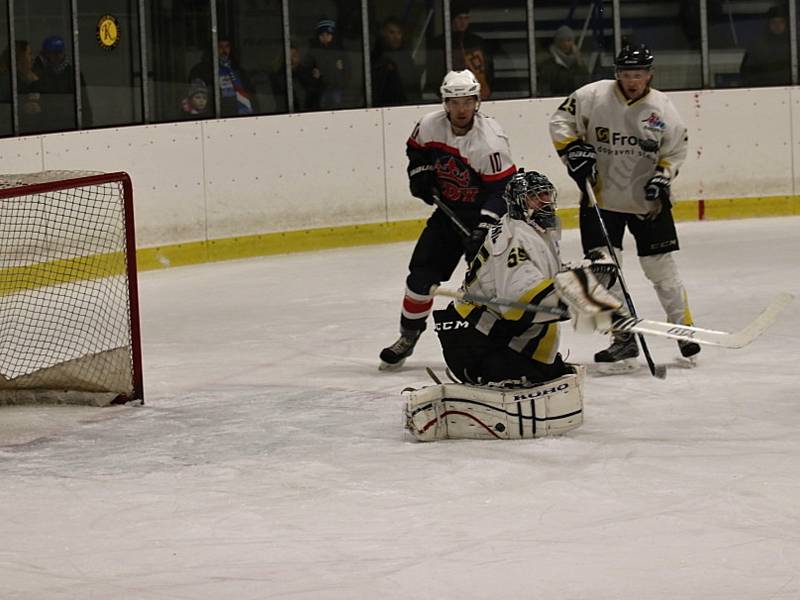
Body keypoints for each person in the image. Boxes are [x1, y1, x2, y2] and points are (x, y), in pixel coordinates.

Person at [549, 43, 701, 369]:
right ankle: (623, 336)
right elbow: (560, 121)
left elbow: (675, 150)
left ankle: (684, 329)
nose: (632, 81)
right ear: (617, 73)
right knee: (603, 273)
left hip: (647, 203)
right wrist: (574, 149)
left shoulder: (661, 109)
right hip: (600, 199)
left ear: (649, 74)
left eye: (639, 74)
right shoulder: (592, 96)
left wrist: (663, 175)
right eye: (627, 74)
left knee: (660, 270)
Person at [379, 69, 516, 370]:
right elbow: (415, 151)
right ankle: (408, 336)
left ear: (477, 102)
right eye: (454, 102)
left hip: (483, 220)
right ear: (445, 103)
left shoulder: (489, 142)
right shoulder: (429, 125)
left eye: (467, 102)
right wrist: (420, 173)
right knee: (420, 278)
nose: (461, 109)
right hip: (446, 215)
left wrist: (485, 226)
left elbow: (503, 189)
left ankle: (500, 343)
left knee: (486, 290)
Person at [427, 1, 493, 100]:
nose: (463, 22)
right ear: (452, 20)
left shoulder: (477, 42)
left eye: (466, 18)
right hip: (452, 97)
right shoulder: (440, 43)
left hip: (479, 95)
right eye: (459, 18)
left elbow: (489, 69)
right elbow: (434, 73)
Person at [32, 35, 92, 131]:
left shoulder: (73, 74)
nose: (56, 57)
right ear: (45, 55)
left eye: (58, 53)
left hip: (69, 125)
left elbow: (84, 103)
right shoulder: (39, 74)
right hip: (46, 126)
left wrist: (87, 125)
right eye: (51, 53)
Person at [188, 35, 257, 117]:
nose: (224, 50)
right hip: (219, 116)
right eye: (220, 47)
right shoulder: (201, 70)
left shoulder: (238, 69)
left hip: (243, 115)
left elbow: (251, 94)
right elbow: (197, 97)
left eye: (227, 46)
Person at [371, 17, 421, 106]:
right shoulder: (376, 57)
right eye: (391, 32)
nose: (396, 37)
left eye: (399, 33)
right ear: (383, 34)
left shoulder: (406, 57)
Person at [303, 18, 350, 110]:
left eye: (328, 34)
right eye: (322, 35)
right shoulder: (313, 52)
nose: (325, 37)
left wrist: (342, 71)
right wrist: (313, 75)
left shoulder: (340, 51)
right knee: (322, 107)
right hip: (321, 89)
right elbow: (306, 68)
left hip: (337, 88)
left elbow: (348, 70)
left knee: (337, 107)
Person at [739, 5, 791, 87]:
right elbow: (746, 75)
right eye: (773, 22)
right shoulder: (756, 47)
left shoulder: (794, 46)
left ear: (787, 24)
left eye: (781, 22)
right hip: (764, 92)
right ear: (768, 24)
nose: (777, 26)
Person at [538, 25, 591, 97]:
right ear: (557, 43)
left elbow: (585, 86)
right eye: (562, 41)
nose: (566, 44)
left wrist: (579, 62)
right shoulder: (548, 65)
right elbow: (545, 90)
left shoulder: (579, 63)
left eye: (569, 40)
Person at [269, 45, 322, 112]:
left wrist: (316, 79)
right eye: (288, 56)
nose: (291, 59)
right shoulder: (278, 76)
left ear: (299, 57)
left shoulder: (307, 72)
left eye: (294, 56)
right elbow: (281, 99)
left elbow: (314, 92)